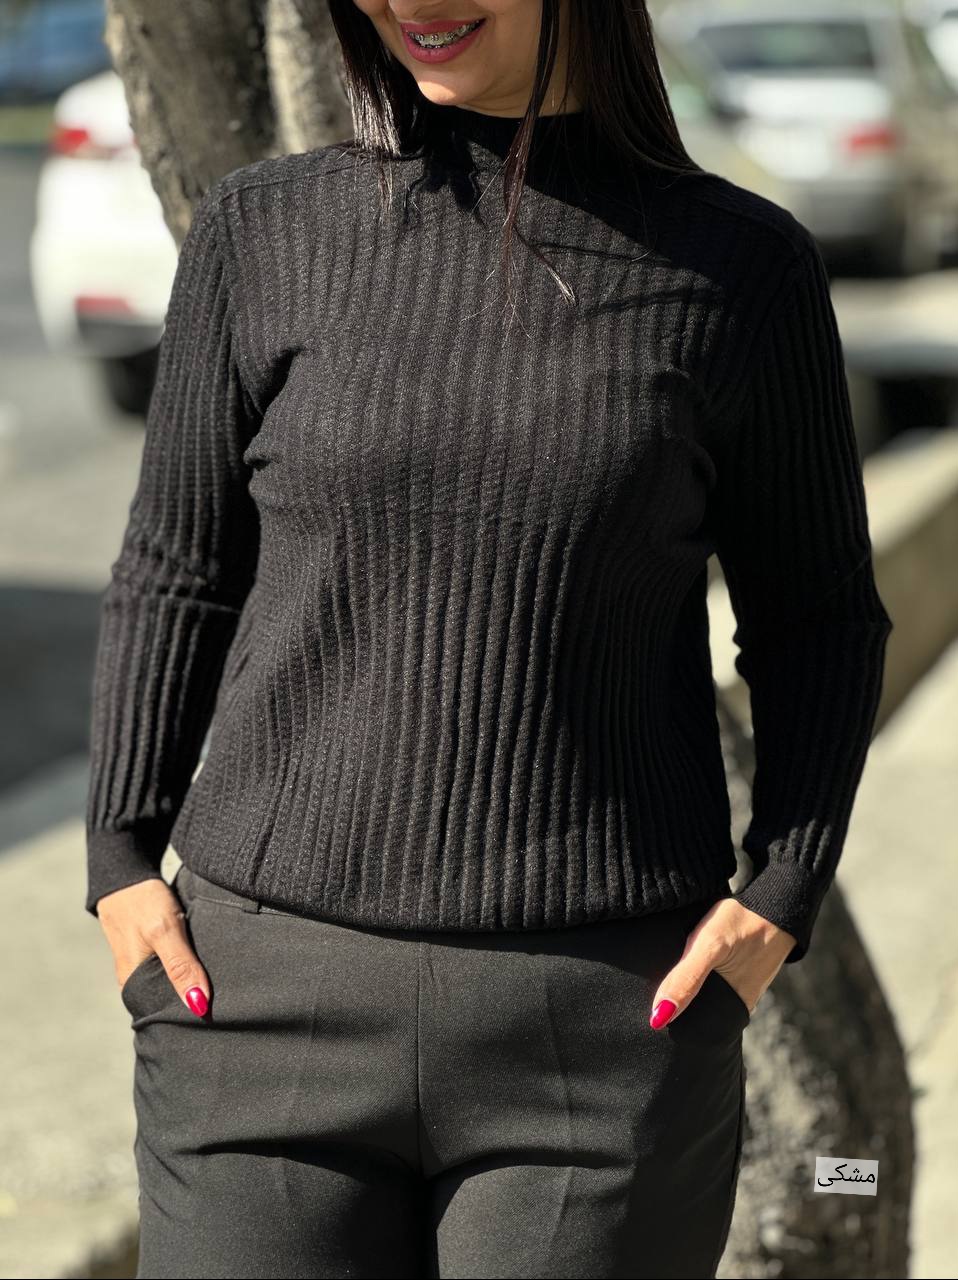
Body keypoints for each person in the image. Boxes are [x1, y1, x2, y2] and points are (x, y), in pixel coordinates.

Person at [84, 1, 893, 1277]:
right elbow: (177, 569)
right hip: (255, 1008)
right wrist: (120, 856)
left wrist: (777, 897)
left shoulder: (741, 267)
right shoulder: (263, 226)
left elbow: (817, 620)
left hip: (601, 1031)